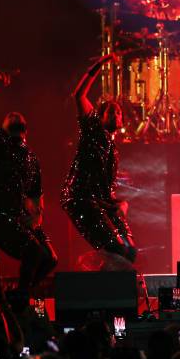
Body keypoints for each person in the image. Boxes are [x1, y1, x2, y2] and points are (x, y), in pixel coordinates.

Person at [0, 71, 57, 293]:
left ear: (26, 129)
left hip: (19, 218)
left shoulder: (32, 158)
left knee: (50, 259)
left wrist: (36, 217)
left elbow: (37, 194)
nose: (15, 115)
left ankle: (16, 295)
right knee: (34, 252)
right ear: (4, 126)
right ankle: (19, 302)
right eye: (10, 116)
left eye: (19, 117)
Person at [61, 54, 137, 264]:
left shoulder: (113, 150)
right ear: (99, 117)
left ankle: (110, 286)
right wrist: (100, 64)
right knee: (115, 247)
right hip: (81, 199)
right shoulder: (93, 130)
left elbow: (105, 188)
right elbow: (78, 95)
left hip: (101, 202)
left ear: (122, 121)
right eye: (109, 111)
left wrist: (120, 203)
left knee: (130, 251)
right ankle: (101, 286)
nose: (115, 113)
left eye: (118, 112)